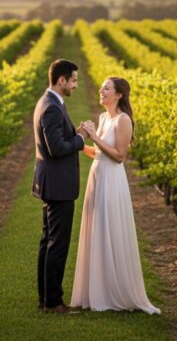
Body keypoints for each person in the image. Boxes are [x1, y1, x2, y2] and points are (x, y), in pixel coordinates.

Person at [70, 77, 160, 315]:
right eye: (101, 87)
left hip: (112, 180)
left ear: (118, 95)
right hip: (97, 176)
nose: (101, 91)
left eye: (106, 88)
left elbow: (119, 156)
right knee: (96, 229)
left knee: (110, 229)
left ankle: (114, 292)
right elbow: (98, 153)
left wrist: (94, 136)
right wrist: (81, 140)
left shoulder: (123, 120)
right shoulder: (102, 118)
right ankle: (95, 291)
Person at [32, 59, 87, 314]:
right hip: (58, 185)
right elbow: (57, 148)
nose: (76, 85)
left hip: (51, 183)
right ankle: (53, 302)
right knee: (57, 243)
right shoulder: (52, 107)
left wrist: (74, 136)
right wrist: (80, 138)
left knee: (48, 241)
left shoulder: (49, 102)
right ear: (61, 80)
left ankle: (46, 299)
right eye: (73, 80)